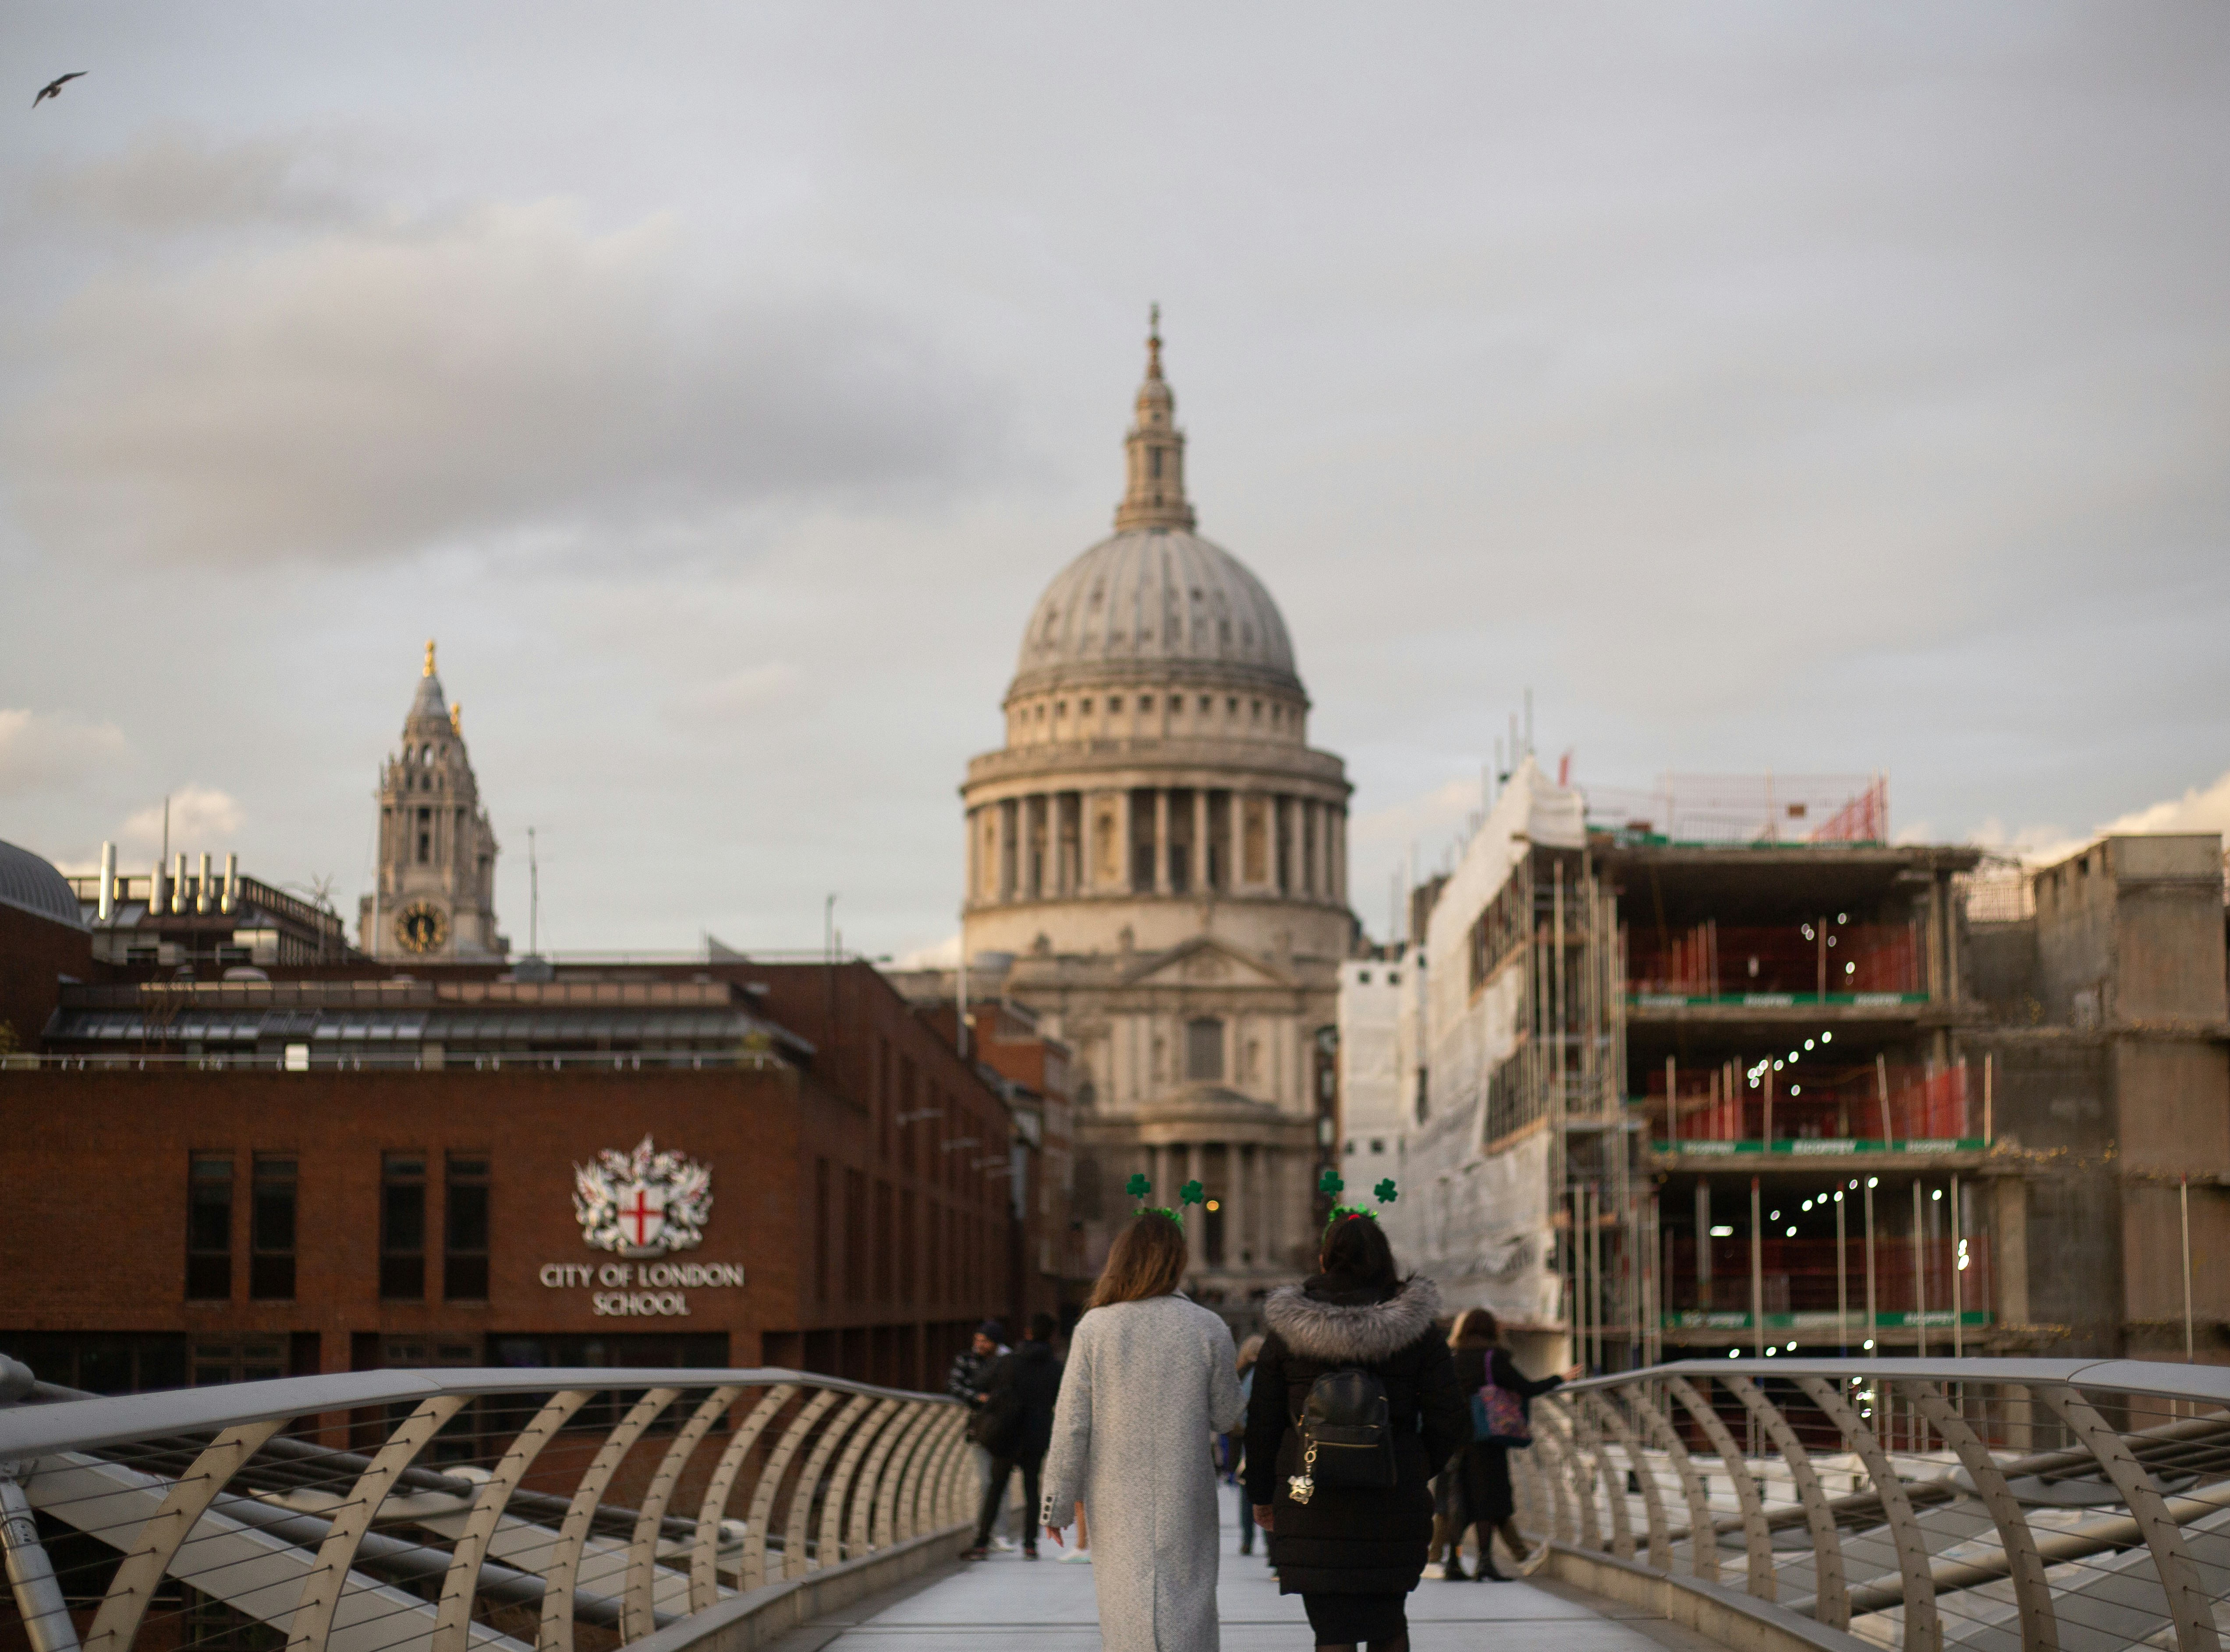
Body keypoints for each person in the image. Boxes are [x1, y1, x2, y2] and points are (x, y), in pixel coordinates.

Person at [1246, 1213, 1468, 1652]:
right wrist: (1413, 1464)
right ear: (1384, 1258)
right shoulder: (1417, 1330)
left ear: (1325, 1258)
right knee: (1388, 1623)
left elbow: (1264, 1421)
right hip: (1391, 1496)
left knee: (1332, 1629)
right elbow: (1450, 1418)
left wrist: (1260, 1493)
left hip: (1309, 1496)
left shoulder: (1286, 1332)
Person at [1042, 1211, 1244, 1652]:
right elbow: (1227, 1415)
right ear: (1177, 1262)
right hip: (1184, 1489)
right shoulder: (1208, 1327)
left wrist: (1056, 1504)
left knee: (1126, 1605)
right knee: (1188, 1603)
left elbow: (1072, 1422)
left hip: (1115, 1495)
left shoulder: (1095, 1328)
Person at [1441, 1308, 1574, 1581]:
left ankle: (1452, 1564)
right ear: (1491, 1329)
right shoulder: (1493, 1358)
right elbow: (1525, 1388)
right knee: (1488, 1500)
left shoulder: (1450, 1359)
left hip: (1454, 1438)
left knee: (1457, 1499)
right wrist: (1560, 1378)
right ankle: (1485, 1563)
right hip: (1487, 1438)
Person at [965, 1312, 1063, 1560]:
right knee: (1032, 1490)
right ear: (1051, 1336)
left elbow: (979, 1381)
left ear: (1029, 1333)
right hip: (1037, 1433)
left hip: (1007, 1432)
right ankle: (1031, 1546)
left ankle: (982, 1543)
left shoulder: (1010, 1361)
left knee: (996, 1487)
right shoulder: (1056, 1367)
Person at [948, 1320, 1012, 1547]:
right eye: (977, 1339)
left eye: (984, 1341)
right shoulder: (966, 1360)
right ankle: (985, 1530)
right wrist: (978, 1398)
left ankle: (1000, 1533)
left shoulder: (1008, 1362)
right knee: (985, 1483)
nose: (979, 1344)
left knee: (1001, 1483)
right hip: (979, 1429)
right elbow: (954, 1386)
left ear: (996, 1343)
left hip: (1005, 1431)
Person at [1231, 1334, 1265, 1557]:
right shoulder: (1265, 1373)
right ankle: (1270, 1541)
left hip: (1246, 1441)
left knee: (1247, 1490)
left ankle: (1247, 1539)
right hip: (1265, 1437)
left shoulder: (1240, 1375)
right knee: (1266, 1490)